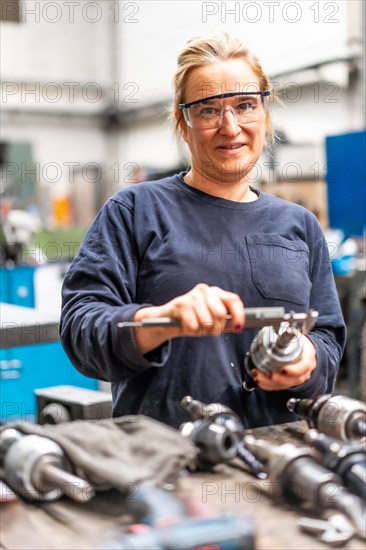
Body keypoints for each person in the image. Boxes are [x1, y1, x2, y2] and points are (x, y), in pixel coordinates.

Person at [60, 33, 346, 429]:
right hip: (167, 459)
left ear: (264, 115)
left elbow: (328, 336)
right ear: (184, 122)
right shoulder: (135, 211)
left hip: (281, 457)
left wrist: (308, 358)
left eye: (245, 105)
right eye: (209, 110)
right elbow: (81, 329)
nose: (230, 127)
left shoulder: (299, 226)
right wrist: (161, 319)